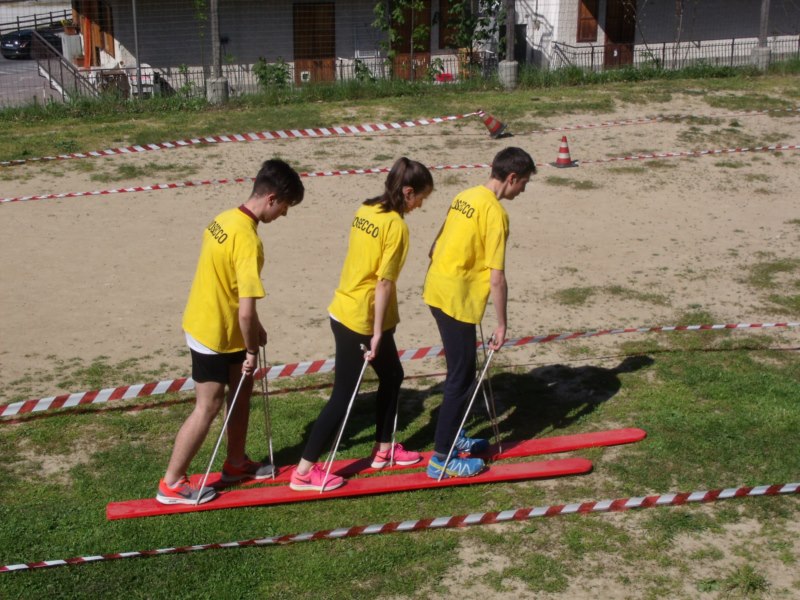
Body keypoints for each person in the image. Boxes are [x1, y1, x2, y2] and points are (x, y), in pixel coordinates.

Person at [156, 159, 305, 505]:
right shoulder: (249, 241)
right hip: (212, 334)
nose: (284, 215)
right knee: (208, 407)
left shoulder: (223, 219)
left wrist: (254, 332)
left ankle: (236, 463)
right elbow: (247, 309)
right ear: (271, 198)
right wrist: (252, 350)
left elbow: (229, 287)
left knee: (241, 390)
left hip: (219, 323)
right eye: (285, 207)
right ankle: (171, 483)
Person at [289, 157, 434, 492]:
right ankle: (303, 472)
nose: (421, 205)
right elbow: (384, 283)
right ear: (407, 192)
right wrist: (379, 332)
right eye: (421, 198)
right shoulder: (396, 226)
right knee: (344, 395)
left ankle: (384, 450)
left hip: (349, 308)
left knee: (393, 375)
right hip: (361, 320)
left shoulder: (366, 209)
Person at [423, 147, 536, 480]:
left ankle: (454, 436)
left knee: (462, 373)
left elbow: (437, 242)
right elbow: (497, 277)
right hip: (455, 300)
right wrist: (501, 324)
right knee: (461, 378)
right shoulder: (497, 215)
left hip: (437, 289)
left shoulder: (466, 194)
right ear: (511, 178)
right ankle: (441, 459)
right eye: (524, 183)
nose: (523, 190)